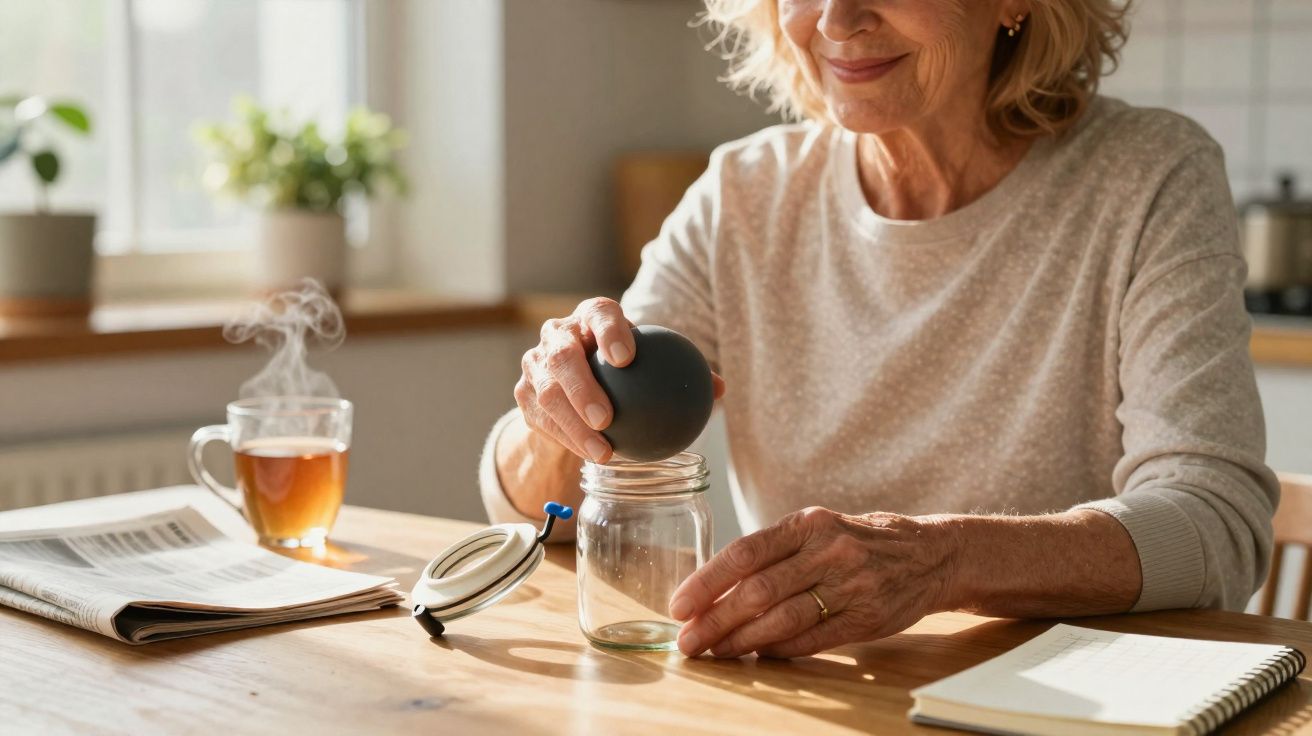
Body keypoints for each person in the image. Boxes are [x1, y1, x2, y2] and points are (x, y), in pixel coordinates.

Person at [478, 0, 1278, 659]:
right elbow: (529, 508)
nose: (835, 17)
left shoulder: (1147, 176)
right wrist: (561, 411)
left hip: (1060, 700)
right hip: (814, 700)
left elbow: (1217, 526)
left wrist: (944, 561)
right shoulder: (746, 193)